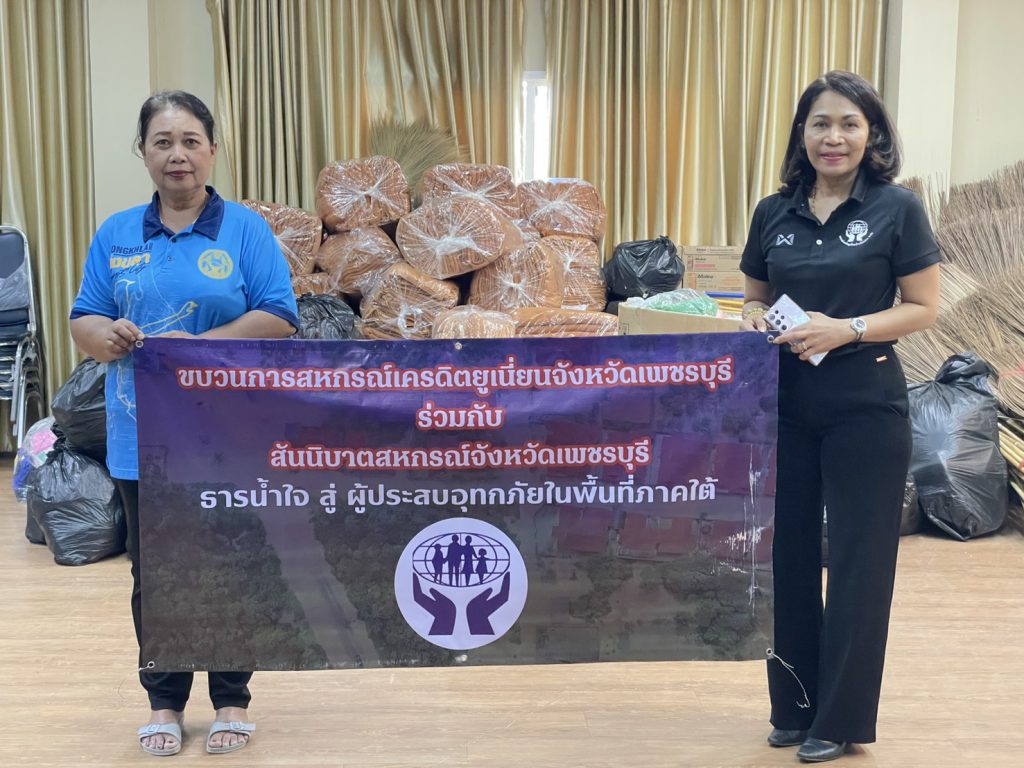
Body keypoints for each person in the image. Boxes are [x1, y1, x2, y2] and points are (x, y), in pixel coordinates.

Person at [70, 90, 299, 757]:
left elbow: (280, 316)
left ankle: (231, 697)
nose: (178, 155)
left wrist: (200, 348)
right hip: (141, 437)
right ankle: (164, 701)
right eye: (163, 142)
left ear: (212, 150)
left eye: (190, 140)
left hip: (230, 435)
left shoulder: (245, 231)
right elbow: (84, 318)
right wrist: (106, 335)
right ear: (143, 152)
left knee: (234, 561)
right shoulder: (117, 234)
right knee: (156, 572)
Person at [738, 70, 940, 763]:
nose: (834, 137)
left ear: (871, 134)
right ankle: (793, 706)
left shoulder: (897, 209)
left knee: (859, 563)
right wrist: (755, 317)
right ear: (802, 133)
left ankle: (841, 718)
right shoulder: (773, 212)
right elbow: (753, 296)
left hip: (866, 406)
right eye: (821, 123)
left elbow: (923, 307)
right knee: (786, 558)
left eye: (850, 124)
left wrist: (847, 327)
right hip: (785, 406)